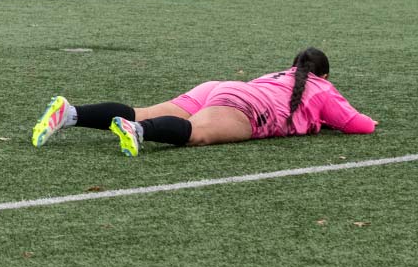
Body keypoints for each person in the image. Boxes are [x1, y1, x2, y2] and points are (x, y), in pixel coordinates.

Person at [30, 48, 375, 157]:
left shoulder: (279, 75)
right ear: (323, 75)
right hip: (244, 105)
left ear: (293, 65)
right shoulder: (322, 88)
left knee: (143, 110)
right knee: (196, 133)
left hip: (219, 88)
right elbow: (359, 125)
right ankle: (138, 131)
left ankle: (70, 113)